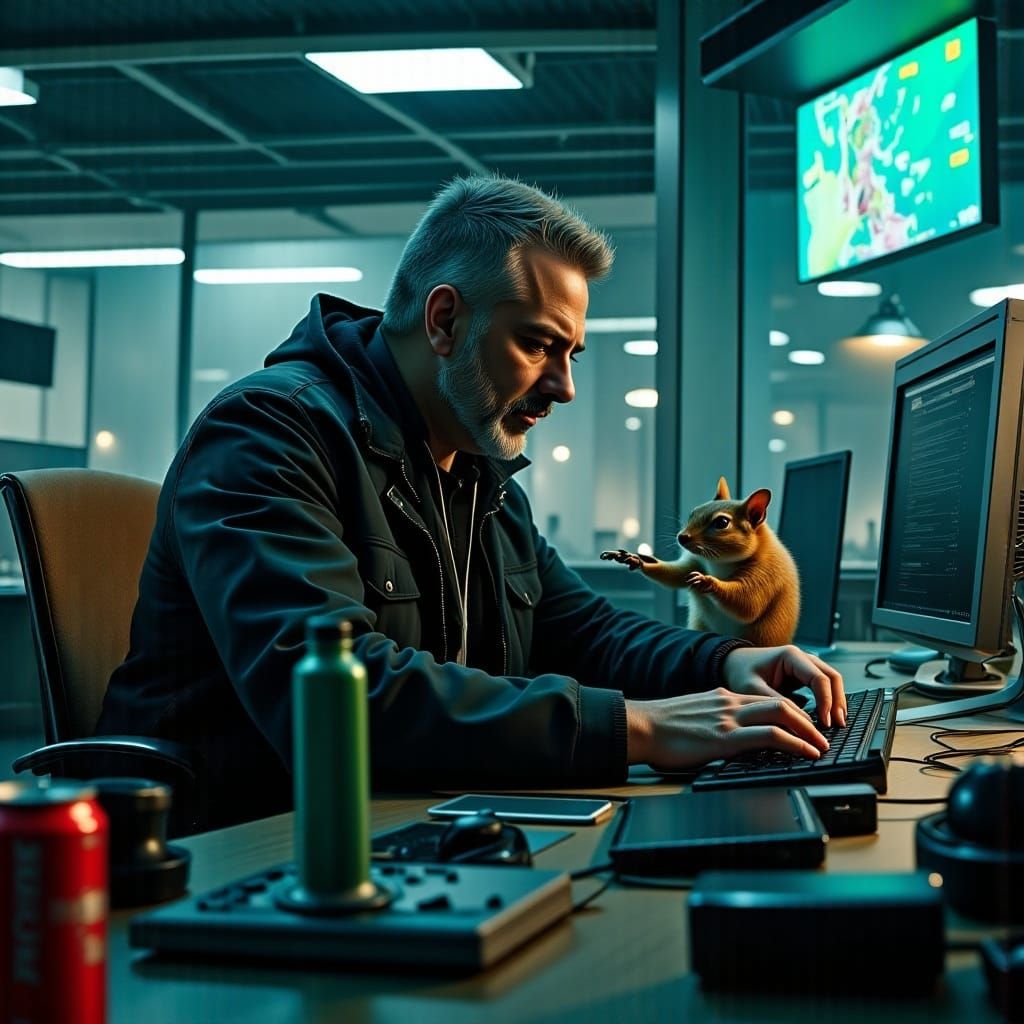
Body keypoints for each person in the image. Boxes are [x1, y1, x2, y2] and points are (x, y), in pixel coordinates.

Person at [97, 175, 846, 831]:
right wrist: (636, 728)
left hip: (407, 824)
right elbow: (333, 700)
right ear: (445, 319)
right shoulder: (270, 434)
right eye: (537, 346)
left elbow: (582, 632)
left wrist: (731, 661)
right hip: (239, 847)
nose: (564, 387)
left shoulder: (474, 473)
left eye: (571, 355)